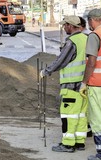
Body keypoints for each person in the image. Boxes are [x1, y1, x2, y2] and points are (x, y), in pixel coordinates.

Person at [40, 15, 88, 152]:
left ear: (72, 26)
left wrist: (46, 71)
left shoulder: (71, 42)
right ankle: (79, 142)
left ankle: (68, 144)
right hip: (84, 85)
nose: (64, 27)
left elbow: (61, 61)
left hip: (70, 86)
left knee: (68, 116)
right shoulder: (86, 39)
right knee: (81, 115)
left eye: (66, 25)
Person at [80, 9, 101, 160]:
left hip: (97, 84)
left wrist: (84, 82)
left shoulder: (95, 35)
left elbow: (92, 62)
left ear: (93, 20)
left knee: (97, 120)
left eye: (89, 22)